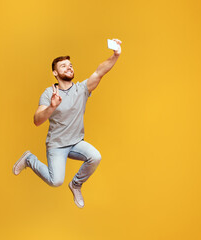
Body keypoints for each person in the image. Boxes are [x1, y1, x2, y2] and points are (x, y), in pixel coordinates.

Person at [13, 39, 122, 208]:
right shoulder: (50, 93)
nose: (69, 67)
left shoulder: (82, 89)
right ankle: (29, 159)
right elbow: (37, 121)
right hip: (57, 145)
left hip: (76, 142)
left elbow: (100, 72)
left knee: (95, 157)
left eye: (70, 65)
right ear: (55, 73)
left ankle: (76, 184)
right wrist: (52, 106)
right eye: (63, 66)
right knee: (56, 181)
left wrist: (115, 55)